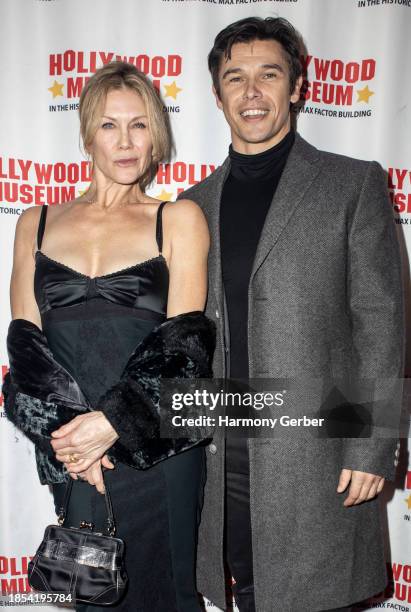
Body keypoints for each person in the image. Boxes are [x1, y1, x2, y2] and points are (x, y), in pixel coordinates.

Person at [178, 17, 404, 612]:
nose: (251, 92)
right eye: (236, 78)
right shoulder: (190, 205)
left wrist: (371, 445)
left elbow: (379, 321)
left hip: (318, 457)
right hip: (219, 460)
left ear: (297, 87)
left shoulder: (351, 185)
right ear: (217, 95)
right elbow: (181, 338)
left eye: (269, 75)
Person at [4, 60, 215, 612]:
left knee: (166, 589)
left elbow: (185, 347)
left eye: (140, 124)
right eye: (109, 125)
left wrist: (113, 425)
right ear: (86, 133)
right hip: (73, 448)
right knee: (91, 591)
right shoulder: (37, 221)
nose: (126, 141)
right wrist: (77, 446)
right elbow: (26, 348)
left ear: (157, 136)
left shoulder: (179, 218)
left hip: (153, 446)